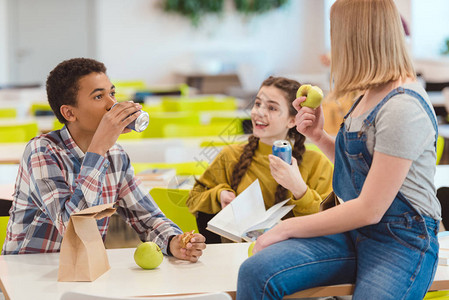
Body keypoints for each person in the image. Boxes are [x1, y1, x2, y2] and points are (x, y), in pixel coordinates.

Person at [237, 0, 440, 299]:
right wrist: (319, 136)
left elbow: (371, 208)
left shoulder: (402, 106)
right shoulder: (369, 94)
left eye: (336, 33)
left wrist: (285, 229)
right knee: (256, 272)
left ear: (356, 38)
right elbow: (363, 171)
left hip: (400, 240)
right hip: (354, 231)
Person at [2, 58, 206, 262]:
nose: (112, 104)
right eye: (99, 96)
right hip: (27, 271)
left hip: (85, 268)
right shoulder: (42, 151)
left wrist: (173, 241)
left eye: (112, 93)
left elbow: (147, 218)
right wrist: (98, 149)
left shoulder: (115, 155)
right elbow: (71, 228)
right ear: (69, 113)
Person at [186, 76, 333, 242]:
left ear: (292, 120)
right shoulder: (230, 156)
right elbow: (193, 199)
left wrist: (299, 189)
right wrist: (219, 195)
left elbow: (329, 223)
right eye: (257, 104)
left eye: (272, 108)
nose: (258, 112)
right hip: (236, 258)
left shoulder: (318, 163)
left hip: (294, 257)